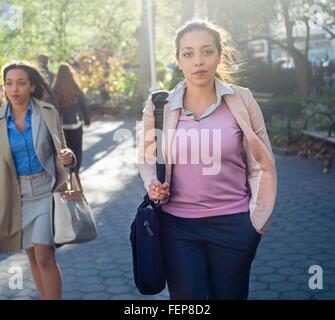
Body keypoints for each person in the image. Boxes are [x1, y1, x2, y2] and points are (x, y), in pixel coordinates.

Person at [137, 20, 277, 300]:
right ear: (178, 60)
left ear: (219, 56)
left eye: (206, 51)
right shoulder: (159, 105)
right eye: (188, 53)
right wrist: (152, 182)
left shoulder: (243, 100)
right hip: (178, 226)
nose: (198, 61)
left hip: (234, 224)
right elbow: (147, 158)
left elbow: (262, 164)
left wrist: (256, 221)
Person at [0, 61, 76, 300]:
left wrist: (69, 157)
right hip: (15, 196)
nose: (14, 89)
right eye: (9, 83)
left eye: (21, 83)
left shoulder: (46, 113)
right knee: (32, 255)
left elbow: (62, 150)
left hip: (45, 189)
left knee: (44, 253)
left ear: (32, 86)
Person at [52, 62, 91, 173]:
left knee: (65, 149)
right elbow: (84, 104)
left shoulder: (54, 90)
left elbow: (52, 107)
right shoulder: (75, 88)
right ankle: (75, 170)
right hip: (75, 123)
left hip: (61, 126)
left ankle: (66, 171)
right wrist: (87, 119)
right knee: (77, 148)